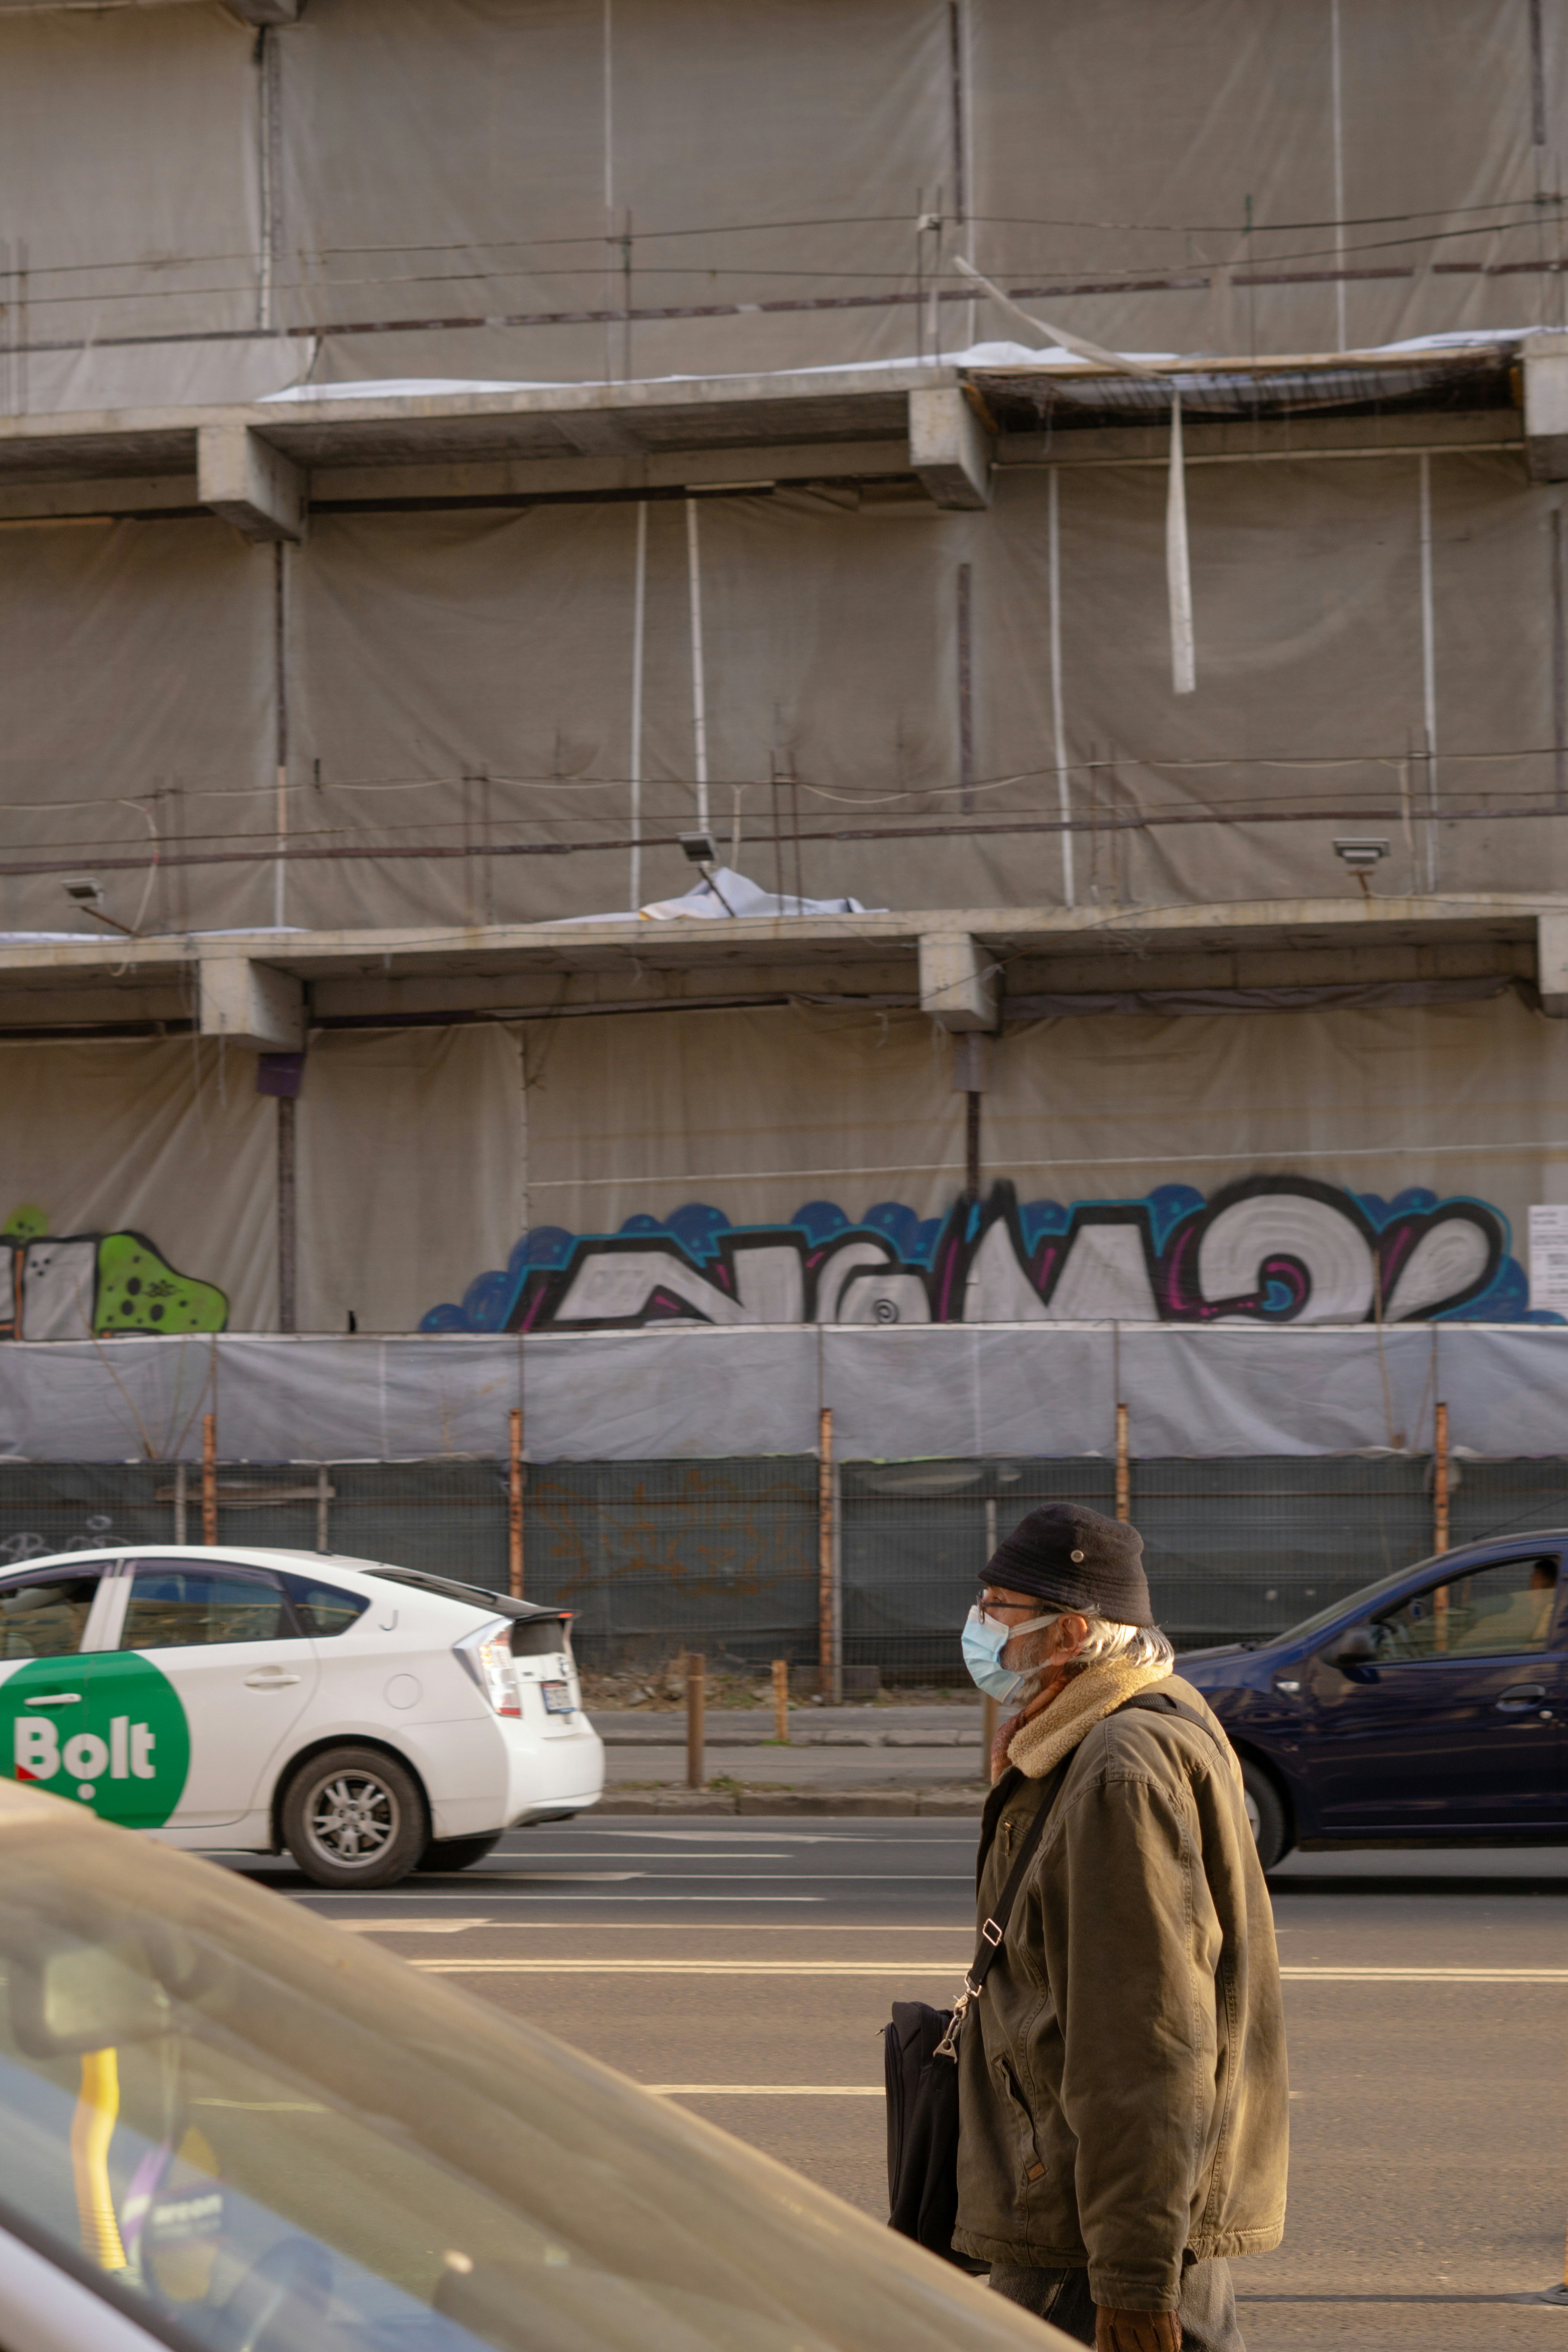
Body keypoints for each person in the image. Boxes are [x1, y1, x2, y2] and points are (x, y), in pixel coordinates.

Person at [952, 1501, 1288, 2352]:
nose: (980, 1625)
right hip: (1094, 2207)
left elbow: (1147, 2043)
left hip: (1090, 2228)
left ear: (1069, 1632)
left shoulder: (1118, 1770)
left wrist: (1134, 2279)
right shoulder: (1105, 1730)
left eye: (1000, 1606)